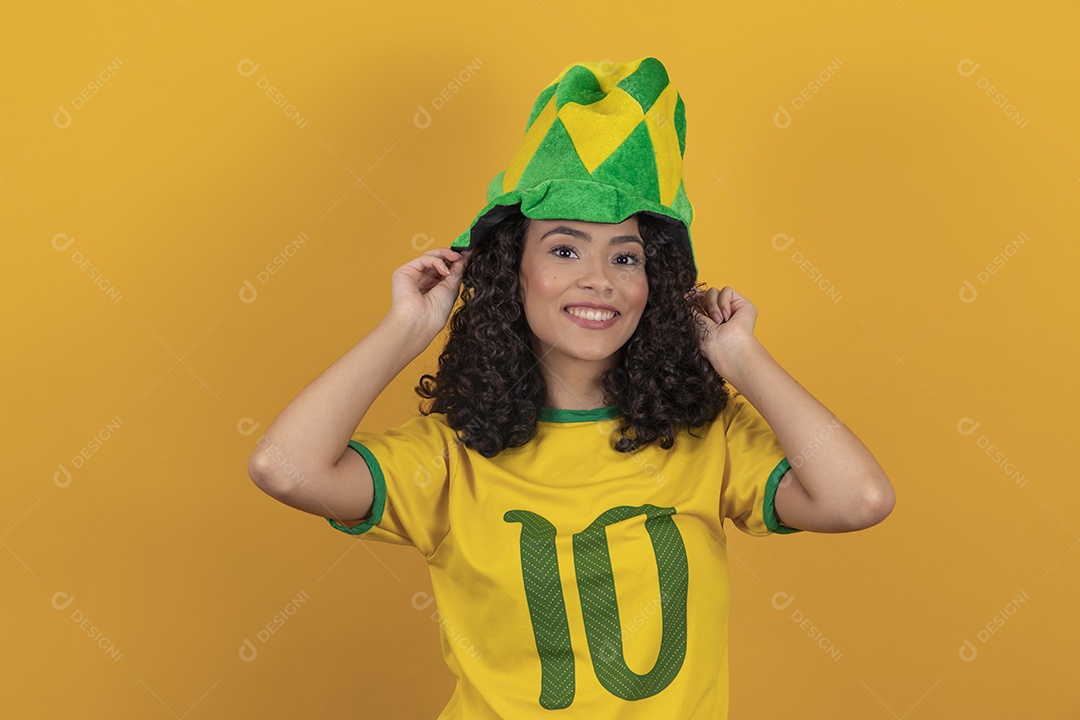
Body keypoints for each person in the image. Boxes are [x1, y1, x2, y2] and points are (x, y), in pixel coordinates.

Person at [248, 56, 895, 719]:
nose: (600, 279)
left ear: (655, 285)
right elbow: (284, 467)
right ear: (512, 271)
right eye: (564, 249)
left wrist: (742, 357)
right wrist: (406, 327)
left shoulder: (710, 439)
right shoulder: (448, 458)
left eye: (626, 257)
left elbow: (860, 498)